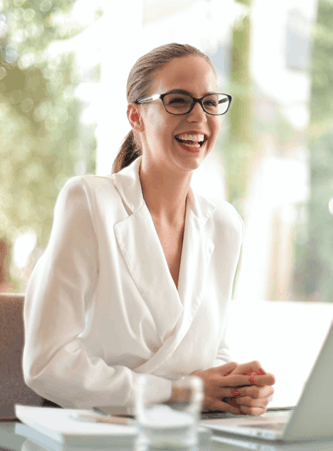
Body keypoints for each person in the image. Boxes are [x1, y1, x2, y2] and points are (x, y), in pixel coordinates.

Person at [23, 43, 275, 416]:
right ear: (135, 116)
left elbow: (210, 348)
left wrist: (237, 387)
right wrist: (178, 392)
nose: (199, 116)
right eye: (178, 101)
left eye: (209, 101)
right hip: (99, 431)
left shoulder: (224, 225)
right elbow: (47, 363)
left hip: (187, 433)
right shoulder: (90, 202)